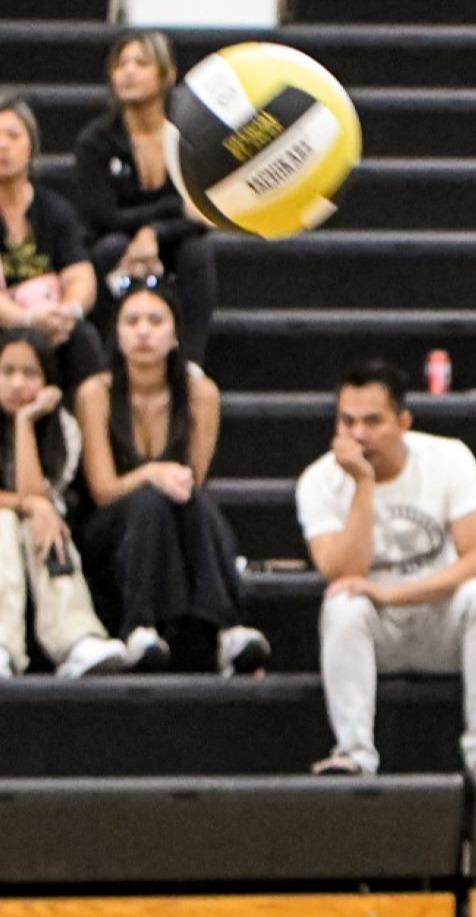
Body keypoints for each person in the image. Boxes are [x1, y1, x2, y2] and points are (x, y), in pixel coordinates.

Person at [298, 360, 476, 777]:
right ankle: (353, 755)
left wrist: (391, 593)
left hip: (442, 623)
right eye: (347, 422)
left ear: (403, 422)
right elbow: (342, 572)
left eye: (372, 421)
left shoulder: (449, 458)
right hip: (375, 634)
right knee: (342, 606)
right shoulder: (318, 481)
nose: (358, 434)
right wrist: (363, 484)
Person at [74, 283, 267, 675]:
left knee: (190, 499)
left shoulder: (201, 393)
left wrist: (164, 479)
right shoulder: (95, 393)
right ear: (117, 334)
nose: (143, 331)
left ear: (176, 334)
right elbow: (103, 489)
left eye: (155, 321)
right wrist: (150, 472)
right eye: (132, 321)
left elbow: (191, 479)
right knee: (149, 498)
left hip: (175, 521)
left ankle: (229, 631)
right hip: (110, 529)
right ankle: (138, 625)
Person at [72, 30, 217, 365]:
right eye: (121, 64)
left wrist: (154, 232)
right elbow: (103, 217)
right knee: (108, 250)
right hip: (116, 242)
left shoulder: (190, 136)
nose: (128, 72)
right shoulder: (94, 141)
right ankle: (108, 364)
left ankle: (191, 364)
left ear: (167, 74)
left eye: (141, 63)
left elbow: (203, 213)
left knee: (197, 251)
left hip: (174, 240)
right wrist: (174, 209)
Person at [0, 329, 128, 678]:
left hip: (33, 528)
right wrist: (31, 505)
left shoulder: (64, 429)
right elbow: (30, 500)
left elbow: (34, 494)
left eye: (30, 373)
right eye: (7, 371)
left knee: (45, 519)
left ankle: (75, 638)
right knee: (6, 521)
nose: (17, 383)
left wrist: (24, 423)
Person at [0, 94, 107, 397]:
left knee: (83, 337)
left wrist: (67, 311)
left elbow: (80, 275)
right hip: (7, 321)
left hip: (49, 318)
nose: (3, 145)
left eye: (13, 136)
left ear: (31, 146)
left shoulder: (55, 210)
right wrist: (27, 319)